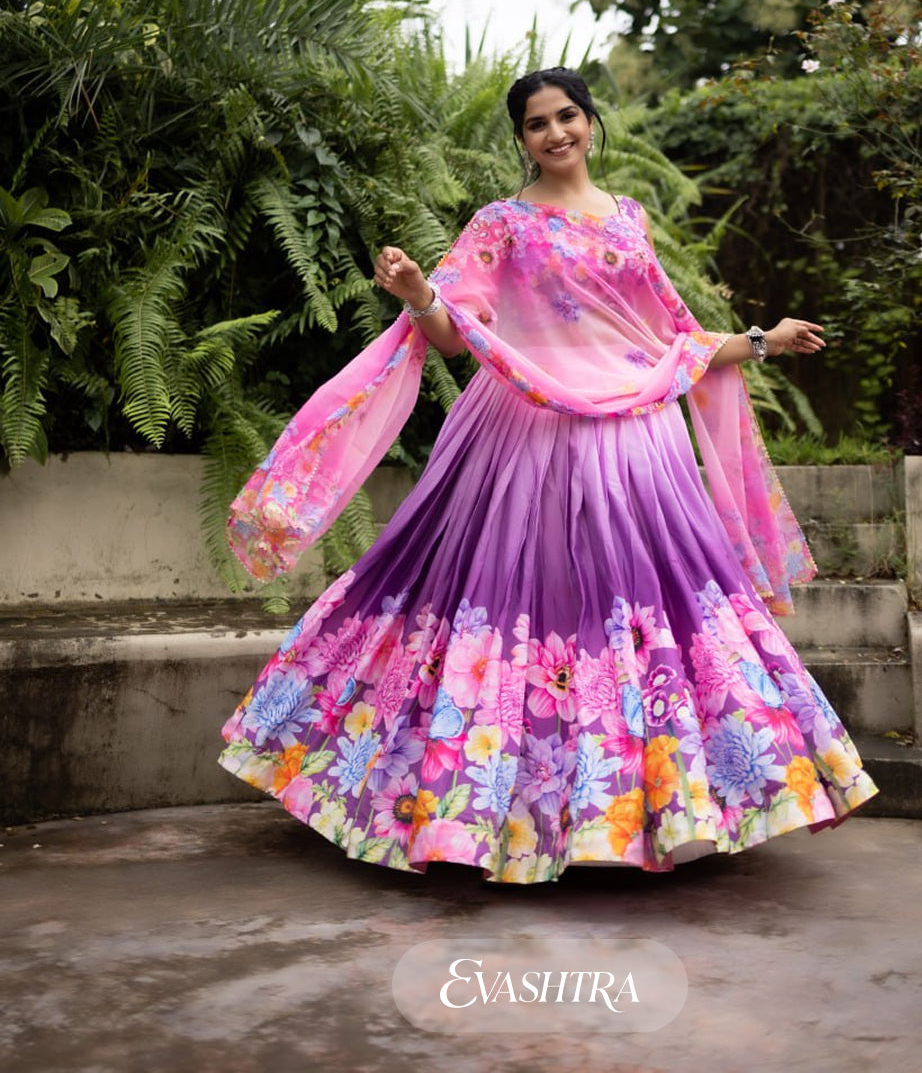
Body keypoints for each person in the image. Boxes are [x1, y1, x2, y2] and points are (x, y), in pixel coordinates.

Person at [219, 67, 878, 882]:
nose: (556, 132)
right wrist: (419, 291)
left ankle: (638, 810)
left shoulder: (628, 219)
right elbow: (457, 337)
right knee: (499, 595)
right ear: (521, 139)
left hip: (635, 445)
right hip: (521, 442)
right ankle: (472, 807)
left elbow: (673, 337)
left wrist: (766, 339)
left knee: (641, 603)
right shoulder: (501, 224)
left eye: (568, 115)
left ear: (591, 122)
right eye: (537, 123)